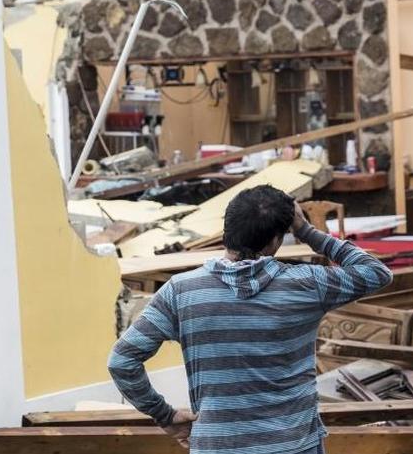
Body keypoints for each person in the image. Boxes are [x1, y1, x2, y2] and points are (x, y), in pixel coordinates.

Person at [107, 185, 393, 454]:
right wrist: (306, 231)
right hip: (293, 444)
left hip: (218, 446)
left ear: (226, 230)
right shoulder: (308, 285)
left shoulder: (181, 292)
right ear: (276, 239)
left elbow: (122, 362)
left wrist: (165, 415)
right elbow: (376, 272)